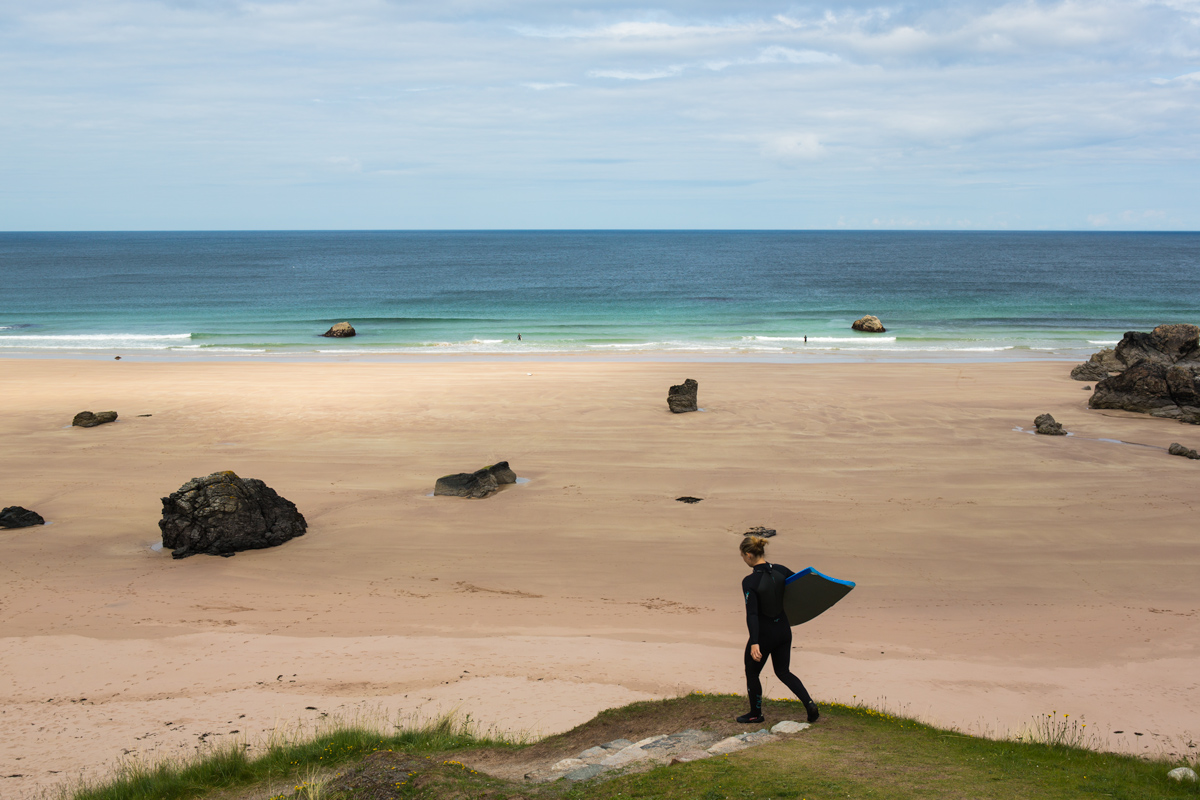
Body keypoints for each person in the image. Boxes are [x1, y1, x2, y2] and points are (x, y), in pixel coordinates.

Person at [738, 535, 820, 724]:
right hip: (783, 629)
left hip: (765, 634)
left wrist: (755, 642)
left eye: (743, 556)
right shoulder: (781, 570)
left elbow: (752, 614)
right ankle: (809, 704)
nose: (743, 559)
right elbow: (800, 586)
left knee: (752, 672)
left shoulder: (749, 582)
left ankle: (755, 714)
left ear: (749, 555)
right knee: (783, 671)